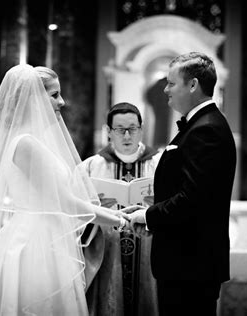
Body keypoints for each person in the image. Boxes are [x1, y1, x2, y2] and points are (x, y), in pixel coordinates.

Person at [0, 64, 140, 316]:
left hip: (45, 235)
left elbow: (61, 200)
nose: (62, 102)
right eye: (54, 95)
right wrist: (121, 219)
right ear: (34, 98)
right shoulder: (27, 145)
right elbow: (66, 204)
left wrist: (115, 214)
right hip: (35, 246)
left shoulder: (33, 142)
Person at [126, 52, 237, 315]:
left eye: (171, 83)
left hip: (191, 266)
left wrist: (148, 215)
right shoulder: (199, 126)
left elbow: (193, 200)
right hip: (187, 263)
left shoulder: (205, 130)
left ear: (193, 85)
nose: (165, 89)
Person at [79, 102, 161, 316]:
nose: (127, 136)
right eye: (119, 129)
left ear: (141, 130)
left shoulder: (161, 165)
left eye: (132, 129)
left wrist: (160, 206)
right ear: (108, 132)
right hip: (107, 257)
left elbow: (178, 207)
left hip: (150, 259)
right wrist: (93, 210)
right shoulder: (90, 167)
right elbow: (72, 214)